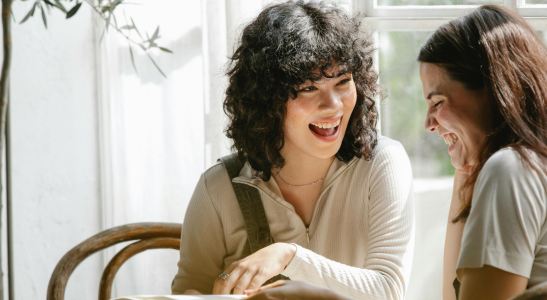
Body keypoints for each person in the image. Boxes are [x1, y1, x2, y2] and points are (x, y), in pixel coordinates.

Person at [171, 1, 414, 299]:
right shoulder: (218, 187)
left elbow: (388, 290)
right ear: (266, 100)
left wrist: (289, 257)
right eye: (309, 88)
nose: (334, 106)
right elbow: (188, 290)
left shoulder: (382, 163)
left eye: (342, 82)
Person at [417, 5, 547, 300]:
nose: (428, 124)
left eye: (437, 102)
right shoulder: (545, 166)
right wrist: (466, 174)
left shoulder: (511, 170)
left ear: (493, 90)